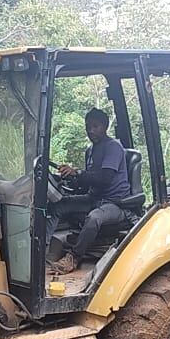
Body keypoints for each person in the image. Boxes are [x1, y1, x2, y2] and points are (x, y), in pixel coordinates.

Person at [50, 108, 132, 274]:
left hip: (116, 203)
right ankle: (41, 248)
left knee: (94, 218)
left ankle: (74, 257)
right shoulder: (90, 150)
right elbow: (89, 180)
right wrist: (70, 177)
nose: (91, 131)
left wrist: (78, 172)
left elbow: (105, 178)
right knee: (58, 205)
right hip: (93, 198)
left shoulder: (113, 147)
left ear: (105, 127)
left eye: (95, 126)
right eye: (88, 127)